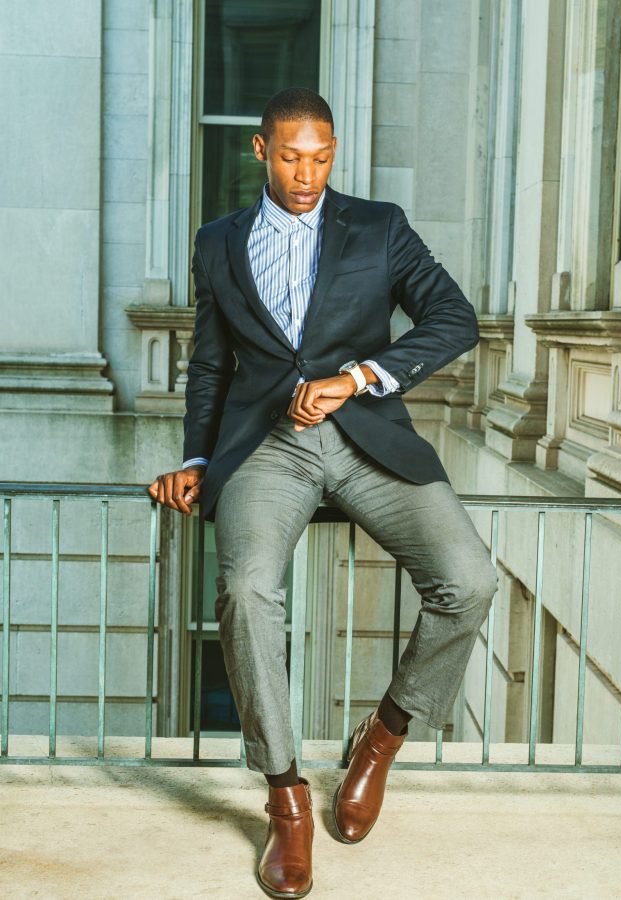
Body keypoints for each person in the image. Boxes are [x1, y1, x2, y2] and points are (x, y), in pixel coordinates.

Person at [148, 86, 498, 899]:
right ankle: (286, 798)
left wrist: (359, 376)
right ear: (261, 152)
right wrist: (197, 457)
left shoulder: (379, 227)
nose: (308, 175)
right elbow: (211, 364)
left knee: (470, 581)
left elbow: (455, 319)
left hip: (368, 439)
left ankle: (383, 735)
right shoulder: (218, 242)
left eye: (322, 157)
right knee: (246, 591)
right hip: (266, 450)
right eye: (292, 157)